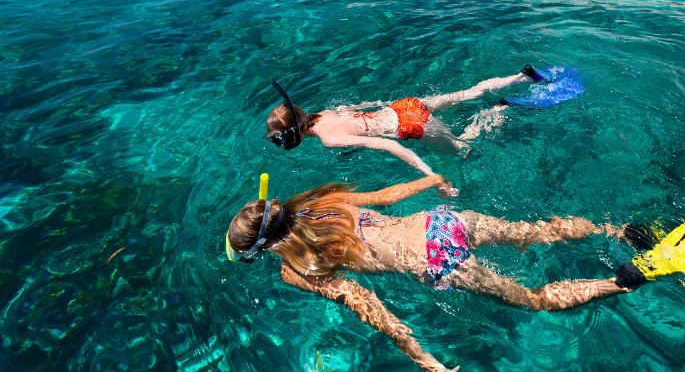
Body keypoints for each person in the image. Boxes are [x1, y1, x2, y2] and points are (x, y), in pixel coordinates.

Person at [225, 175, 652, 372]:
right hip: (439, 222)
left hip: (437, 260)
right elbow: (388, 196)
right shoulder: (324, 204)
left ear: (264, 249)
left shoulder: (294, 269)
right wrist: (431, 180)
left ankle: (620, 281)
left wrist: (423, 359)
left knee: (535, 300)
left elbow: (362, 301)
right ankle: (614, 229)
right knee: (534, 234)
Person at [265, 65, 546, 193]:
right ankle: (520, 76)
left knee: (463, 148)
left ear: (295, 136)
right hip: (403, 107)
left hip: (410, 125)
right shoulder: (323, 114)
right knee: (467, 93)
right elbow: (366, 106)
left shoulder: (329, 138)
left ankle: (499, 109)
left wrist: (430, 175)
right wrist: (388, 104)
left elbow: (388, 145)